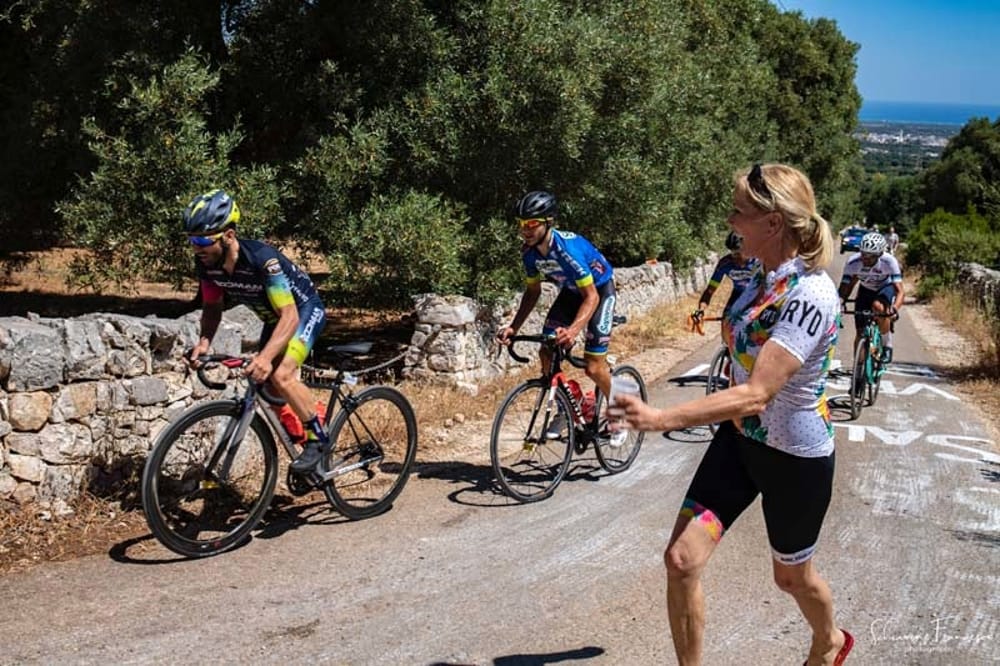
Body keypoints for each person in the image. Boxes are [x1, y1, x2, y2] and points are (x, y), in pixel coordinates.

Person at [611, 164, 853, 666]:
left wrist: (661, 418)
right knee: (681, 560)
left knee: (791, 578)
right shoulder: (757, 278)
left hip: (794, 458)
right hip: (741, 444)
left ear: (773, 222)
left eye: (739, 211)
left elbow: (757, 394)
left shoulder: (810, 295)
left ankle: (830, 640)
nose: (730, 220)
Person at [182, 189, 330, 473]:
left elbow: (289, 316)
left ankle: (319, 440)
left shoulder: (262, 260)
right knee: (267, 388)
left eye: (203, 240)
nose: (196, 248)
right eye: (191, 240)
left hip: (302, 312)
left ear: (229, 235)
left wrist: (265, 358)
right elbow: (212, 307)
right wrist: (203, 343)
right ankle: (310, 429)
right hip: (275, 320)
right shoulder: (206, 265)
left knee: (281, 374)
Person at [495, 190, 619, 440]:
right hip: (571, 293)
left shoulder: (566, 250)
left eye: (532, 223)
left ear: (548, 222)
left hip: (600, 291)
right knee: (547, 351)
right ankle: (569, 406)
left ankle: (622, 411)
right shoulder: (529, 253)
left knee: (594, 367)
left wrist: (573, 331)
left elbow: (592, 297)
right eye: (521, 224)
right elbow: (533, 292)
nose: (525, 230)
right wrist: (513, 327)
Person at [838, 231, 903, 364]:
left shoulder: (889, 261)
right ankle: (858, 367)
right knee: (860, 332)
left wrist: (894, 309)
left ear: (879, 254)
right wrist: (840, 303)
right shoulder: (853, 262)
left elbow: (900, 291)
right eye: (863, 254)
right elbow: (846, 286)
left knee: (878, 307)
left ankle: (887, 345)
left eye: (870, 256)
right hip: (866, 289)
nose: (865, 259)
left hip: (885, 287)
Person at [692, 231, 758, 345]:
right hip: (738, 294)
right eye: (734, 254)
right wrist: (701, 309)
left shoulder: (759, 261)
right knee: (726, 323)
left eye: (739, 254)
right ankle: (728, 348)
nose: (737, 259)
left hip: (758, 294)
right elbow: (710, 290)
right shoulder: (725, 264)